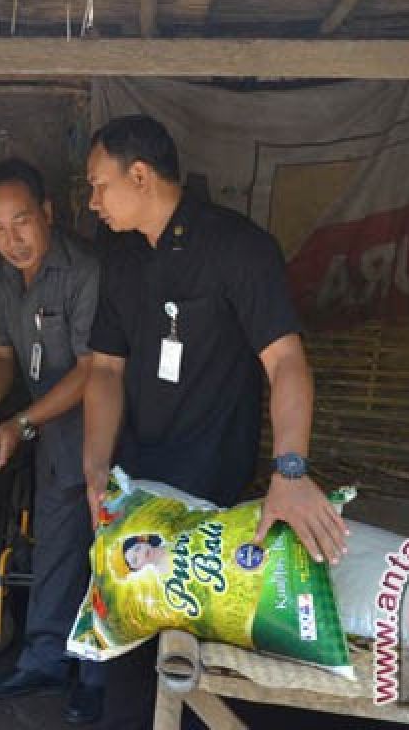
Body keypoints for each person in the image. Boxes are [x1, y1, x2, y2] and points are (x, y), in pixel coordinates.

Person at [81, 115, 349, 728]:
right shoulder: (120, 258)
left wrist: (290, 470)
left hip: (211, 482)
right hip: (131, 483)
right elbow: (103, 369)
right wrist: (95, 467)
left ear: (140, 175)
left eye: (99, 185)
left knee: (193, 634)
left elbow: (286, 363)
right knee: (126, 624)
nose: (92, 202)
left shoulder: (238, 248)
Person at [0, 158, 105, 723]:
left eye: (20, 221)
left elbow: (93, 368)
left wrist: (20, 424)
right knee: (56, 542)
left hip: (99, 431)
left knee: (103, 553)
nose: (10, 239)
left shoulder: (85, 270)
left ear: (47, 212)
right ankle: (44, 657)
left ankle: (96, 673)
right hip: (48, 427)